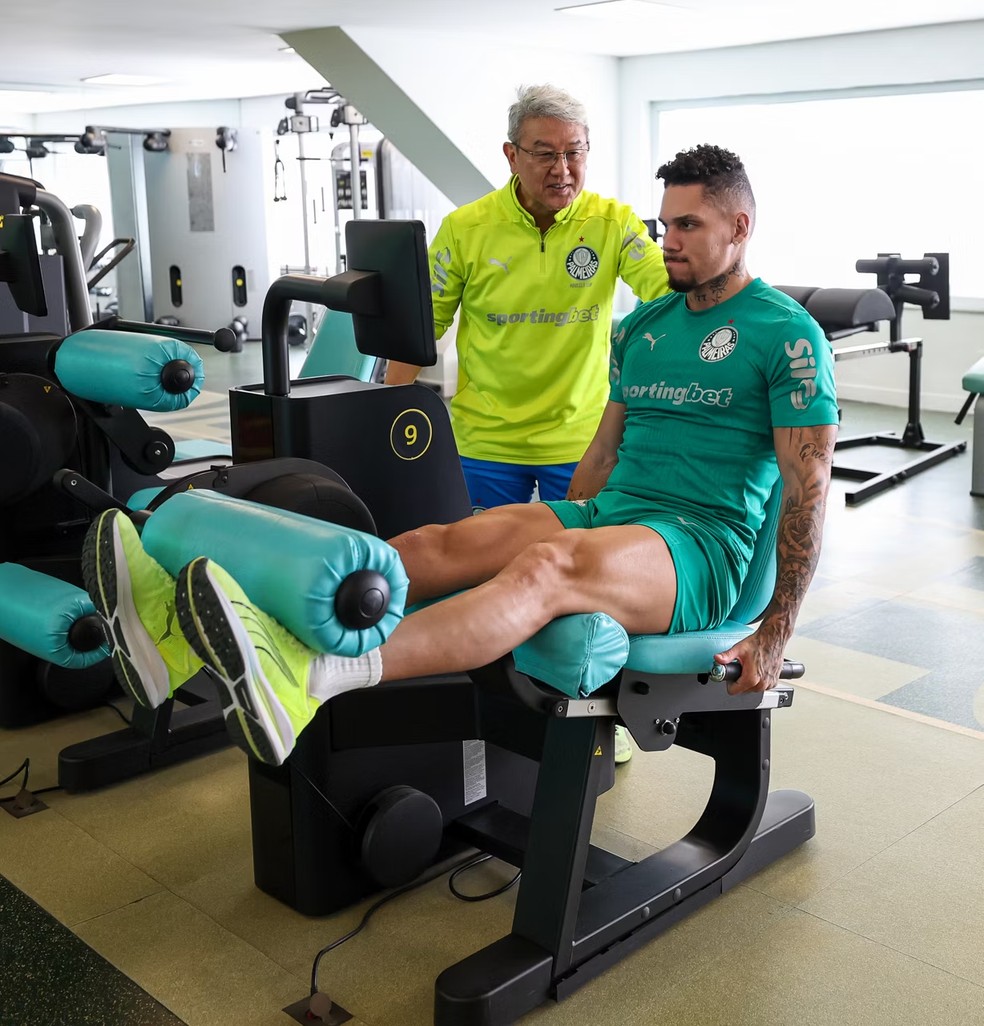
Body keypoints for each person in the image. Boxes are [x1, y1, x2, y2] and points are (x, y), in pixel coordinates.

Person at [83, 144, 838, 773]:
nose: (668, 239)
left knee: (547, 568)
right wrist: (567, 515)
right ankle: (181, 642)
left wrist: (775, 629)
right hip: (616, 514)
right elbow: (604, 452)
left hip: (701, 552)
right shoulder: (645, 327)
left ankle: (313, 678)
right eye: (665, 223)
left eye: (689, 225)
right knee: (437, 544)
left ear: (740, 226)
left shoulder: (786, 334)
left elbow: (807, 490)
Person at [385, 84, 670, 513]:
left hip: (582, 440)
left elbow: (668, 289)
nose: (562, 169)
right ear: (512, 155)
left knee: (575, 552)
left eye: (574, 152)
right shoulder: (465, 229)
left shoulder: (614, 223)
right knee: (481, 550)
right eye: (544, 153)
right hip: (485, 441)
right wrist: (386, 416)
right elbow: (420, 326)